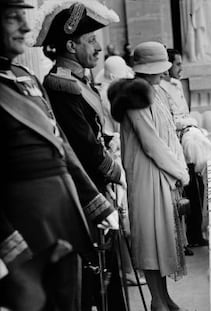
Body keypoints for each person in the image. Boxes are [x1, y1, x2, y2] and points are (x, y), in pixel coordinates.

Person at [0, 1, 118, 310]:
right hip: (23, 223)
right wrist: (8, 244)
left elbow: (61, 146)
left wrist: (96, 204)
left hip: (63, 212)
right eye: (13, 19)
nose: (25, 28)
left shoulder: (25, 76)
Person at [34, 1, 127, 310]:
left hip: (97, 183)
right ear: (71, 45)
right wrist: (119, 174)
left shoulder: (77, 80)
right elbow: (85, 148)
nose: (98, 48)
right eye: (91, 41)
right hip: (86, 191)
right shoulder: (62, 85)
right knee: (99, 279)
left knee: (108, 272)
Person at [109, 41, 190, 311]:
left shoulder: (154, 92)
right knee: (153, 240)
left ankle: (164, 297)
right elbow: (151, 142)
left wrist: (179, 168)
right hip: (147, 175)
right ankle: (158, 301)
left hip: (162, 172)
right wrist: (179, 171)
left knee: (163, 239)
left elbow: (168, 136)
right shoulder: (134, 96)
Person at [160, 48, 211, 247]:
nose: (181, 68)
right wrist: (188, 123)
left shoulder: (177, 85)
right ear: (167, 66)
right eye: (177, 64)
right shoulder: (159, 88)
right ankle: (195, 234)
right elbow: (171, 119)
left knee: (209, 169)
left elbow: (184, 113)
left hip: (191, 131)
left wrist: (190, 122)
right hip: (179, 140)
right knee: (193, 190)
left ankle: (204, 229)